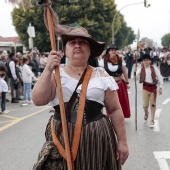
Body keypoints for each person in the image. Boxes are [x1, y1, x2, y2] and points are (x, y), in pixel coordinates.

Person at [32, 27, 129, 170]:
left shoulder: (101, 76)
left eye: (83, 42)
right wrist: (48, 69)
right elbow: (38, 100)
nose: (77, 45)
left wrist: (122, 142)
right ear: (65, 51)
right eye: (72, 42)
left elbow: (114, 110)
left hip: (98, 138)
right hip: (63, 137)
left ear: (90, 51)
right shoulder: (55, 74)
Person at [98, 44, 131, 118]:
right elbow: (101, 73)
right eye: (112, 50)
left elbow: (125, 72)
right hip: (108, 84)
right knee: (110, 102)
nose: (114, 51)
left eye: (115, 50)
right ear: (108, 52)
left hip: (119, 83)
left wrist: (127, 82)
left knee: (121, 101)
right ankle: (110, 117)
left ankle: (120, 116)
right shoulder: (103, 60)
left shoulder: (120, 59)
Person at [133, 54, 163, 128]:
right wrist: (134, 72)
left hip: (153, 89)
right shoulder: (141, 69)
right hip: (145, 89)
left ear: (150, 61)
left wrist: (161, 87)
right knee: (145, 105)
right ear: (142, 62)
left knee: (153, 105)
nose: (145, 61)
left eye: (147, 60)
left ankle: (152, 120)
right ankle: (146, 113)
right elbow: (134, 78)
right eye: (144, 60)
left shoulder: (154, 68)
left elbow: (159, 77)